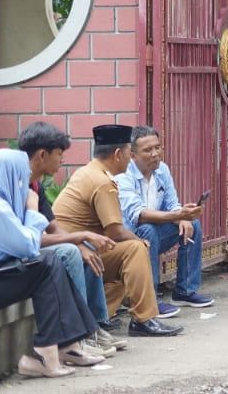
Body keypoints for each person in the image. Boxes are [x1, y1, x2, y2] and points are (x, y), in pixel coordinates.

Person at [0, 150, 105, 377]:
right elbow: (29, 247)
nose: (25, 185)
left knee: (48, 263)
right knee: (46, 265)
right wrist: (32, 208)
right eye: (21, 177)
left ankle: (68, 346)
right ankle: (45, 355)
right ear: (8, 177)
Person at [52, 125, 182, 337]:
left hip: (75, 249)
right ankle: (144, 319)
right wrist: (141, 244)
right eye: (128, 153)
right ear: (118, 154)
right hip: (73, 252)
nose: (131, 159)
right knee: (134, 250)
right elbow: (116, 232)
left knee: (128, 261)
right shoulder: (103, 182)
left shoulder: (89, 172)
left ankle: (98, 319)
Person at [17, 123, 125, 355]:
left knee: (84, 249)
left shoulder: (35, 184)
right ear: (42, 155)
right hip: (14, 255)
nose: (62, 160)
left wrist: (81, 243)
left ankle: (95, 325)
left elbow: (53, 227)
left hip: (32, 249)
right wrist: (81, 237)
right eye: (59, 154)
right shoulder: (15, 185)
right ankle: (79, 334)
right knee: (70, 252)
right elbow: (31, 240)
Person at [114, 125, 215, 313]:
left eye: (157, 147)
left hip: (153, 236)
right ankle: (149, 299)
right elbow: (139, 215)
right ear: (133, 155)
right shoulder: (124, 177)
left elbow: (172, 203)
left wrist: (183, 217)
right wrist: (177, 215)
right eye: (148, 150)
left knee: (192, 224)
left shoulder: (162, 170)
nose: (155, 154)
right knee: (148, 229)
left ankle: (185, 291)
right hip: (128, 240)